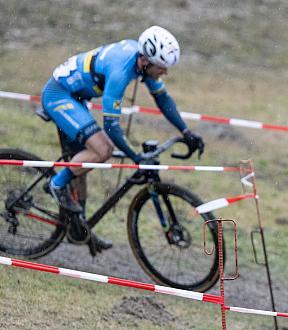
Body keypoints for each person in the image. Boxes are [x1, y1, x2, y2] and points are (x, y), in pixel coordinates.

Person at [41, 25, 204, 250]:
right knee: (102, 150)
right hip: (60, 94)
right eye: (162, 67)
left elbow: (163, 99)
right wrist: (136, 158)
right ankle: (56, 184)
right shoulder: (121, 71)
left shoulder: (142, 61)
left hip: (77, 97)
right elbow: (111, 126)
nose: (165, 73)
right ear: (146, 61)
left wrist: (187, 132)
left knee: (84, 161)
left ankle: (78, 228)